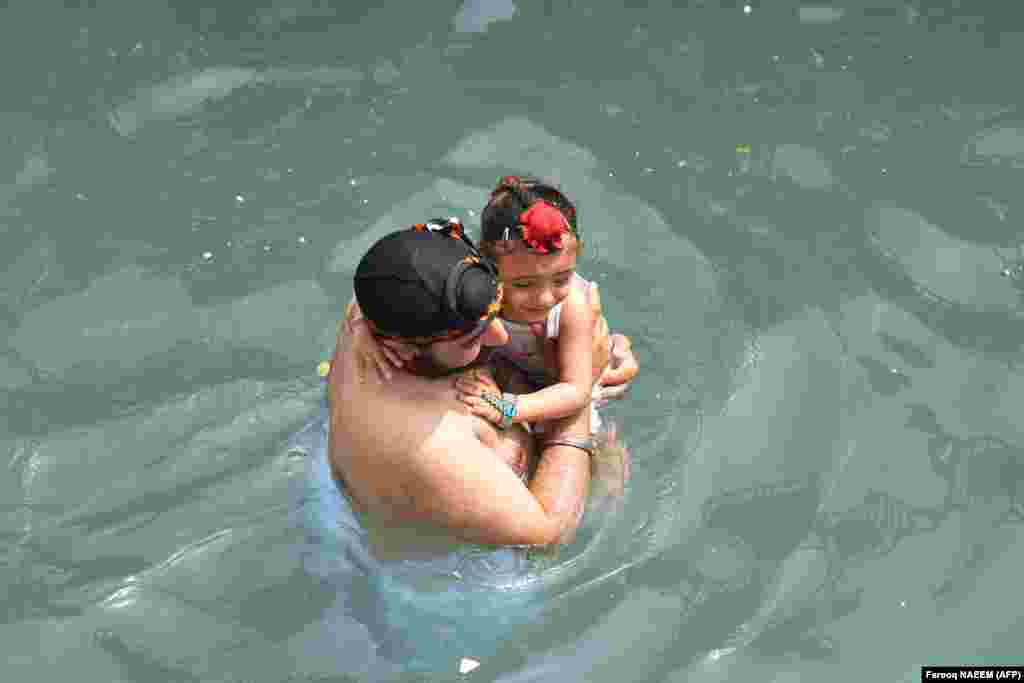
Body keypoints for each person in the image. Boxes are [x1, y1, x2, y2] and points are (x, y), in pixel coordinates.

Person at [327, 222, 629, 548]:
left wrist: (583, 344)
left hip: (343, 481)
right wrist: (580, 387)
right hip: (437, 573)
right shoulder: (430, 445)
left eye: (496, 312)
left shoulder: (381, 299)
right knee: (612, 478)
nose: (500, 335)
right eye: (474, 337)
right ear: (403, 348)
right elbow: (549, 536)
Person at [350, 176, 636, 438]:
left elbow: (575, 391)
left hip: (575, 386)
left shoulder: (572, 307)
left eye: (562, 278)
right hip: (517, 371)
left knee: (601, 465)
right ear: (487, 262)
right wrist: (366, 329)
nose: (546, 298)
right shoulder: (473, 283)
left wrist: (508, 408)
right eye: (524, 285)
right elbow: (403, 281)